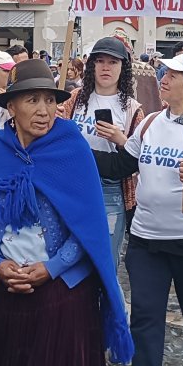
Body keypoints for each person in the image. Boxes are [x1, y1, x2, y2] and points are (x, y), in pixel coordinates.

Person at [0, 59, 133, 366]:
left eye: (50, 100)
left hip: (62, 296)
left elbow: (88, 229)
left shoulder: (73, 150)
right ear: (11, 107)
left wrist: (52, 268)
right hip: (1, 294)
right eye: (32, 100)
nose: (44, 110)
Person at [92, 52, 183, 366]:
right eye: (163, 73)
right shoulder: (152, 122)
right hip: (147, 241)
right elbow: (120, 165)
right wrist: (76, 149)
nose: (163, 79)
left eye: (172, 75)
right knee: (145, 315)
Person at [57, 37, 144, 267]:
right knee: (67, 254)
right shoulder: (75, 99)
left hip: (110, 190)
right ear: (91, 66)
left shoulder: (132, 109)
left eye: (113, 62)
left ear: (122, 68)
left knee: (104, 260)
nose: (106, 68)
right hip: (71, 183)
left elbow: (138, 157)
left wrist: (119, 139)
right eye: (100, 61)